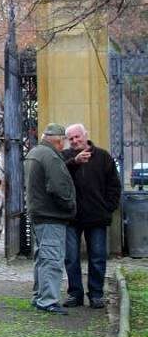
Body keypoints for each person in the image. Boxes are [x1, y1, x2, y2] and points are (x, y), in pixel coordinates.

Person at [61, 123, 121, 309]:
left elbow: (114, 186)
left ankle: (96, 294)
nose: (75, 141)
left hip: (96, 216)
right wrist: (74, 163)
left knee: (97, 257)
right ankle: (75, 294)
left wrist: (107, 207)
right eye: (70, 139)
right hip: (72, 217)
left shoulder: (103, 157)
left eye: (77, 137)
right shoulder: (65, 158)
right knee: (71, 258)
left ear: (86, 135)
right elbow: (59, 178)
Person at [25, 123, 77, 314]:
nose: (64, 145)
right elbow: (58, 187)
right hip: (51, 215)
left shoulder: (35, 153)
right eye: (64, 140)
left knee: (42, 257)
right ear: (58, 140)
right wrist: (70, 206)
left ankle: (39, 295)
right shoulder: (51, 157)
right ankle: (48, 301)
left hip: (40, 213)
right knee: (52, 258)